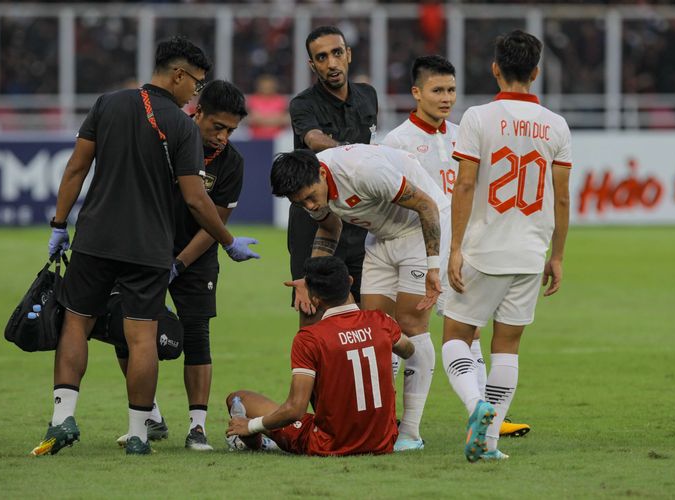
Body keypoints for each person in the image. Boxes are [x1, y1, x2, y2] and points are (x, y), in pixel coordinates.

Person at [33, 36, 259, 456]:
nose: (196, 92)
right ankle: (139, 432)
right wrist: (228, 242)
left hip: (95, 237)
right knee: (141, 338)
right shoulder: (180, 125)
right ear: (177, 74)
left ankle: (62, 419)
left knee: (76, 324)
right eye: (195, 83)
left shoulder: (108, 103)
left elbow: (76, 168)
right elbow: (195, 198)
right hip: (149, 248)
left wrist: (59, 224)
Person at [382, 55, 530, 440]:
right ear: (417, 93)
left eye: (451, 90)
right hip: (416, 250)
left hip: (461, 251)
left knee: (470, 332)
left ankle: (488, 414)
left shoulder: (464, 132)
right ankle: (393, 420)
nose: (446, 98)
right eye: (437, 90)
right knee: (406, 332)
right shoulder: (397, 141)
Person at [441, 30, 572, 462]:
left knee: (456, 337)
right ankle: (491, 441)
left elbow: (464, 184)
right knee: (508, 346)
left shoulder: (478, 118)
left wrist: (455, 247)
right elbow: (563, 197)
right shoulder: (556, 125)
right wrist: (557, 255)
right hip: (530, 253)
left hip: (484, 249)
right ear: (536, 72)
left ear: (495, 68)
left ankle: (475, 406)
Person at [270, 143, 447, 451]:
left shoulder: (364, 171)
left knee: (409, 324)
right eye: (301, 203)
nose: (310, 206)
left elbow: (427, 206)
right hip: (381, 237)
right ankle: (385, 422)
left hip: (420, 230)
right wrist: (311, 280)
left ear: (322, 174)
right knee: (373, 327)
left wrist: (434, 266)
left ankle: (411, 431)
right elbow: (329, 225)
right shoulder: (313, 190)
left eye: (311, 197)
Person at [113, 80, 252, 451]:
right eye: (217, 127)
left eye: (231, 131)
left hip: (195, 257)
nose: (223, 137)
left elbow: (215, 224)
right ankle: (150, 417)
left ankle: (197, 428)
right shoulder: (166, 143)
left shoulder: (232, 163)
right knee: (125, 330)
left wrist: (178, 262)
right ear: (198, 112)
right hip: (146, 250)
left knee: (196, 335)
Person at [225, 256, 415, 456]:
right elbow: (408, 349)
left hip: (330, 443)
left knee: (238, 399)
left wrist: (252, 426)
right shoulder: (380, 321)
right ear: (350, 281)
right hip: (383, 441)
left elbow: (294, 410)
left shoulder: (310, 338)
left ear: (314, 298)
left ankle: (257, 442)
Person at [287, 25, 378, 325]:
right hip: (314, 223)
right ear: (312, 65)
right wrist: (354, 154)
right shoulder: (302, 104)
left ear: (348, 54)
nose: (331, 63)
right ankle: (308, 373)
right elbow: (313, 138)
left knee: (363, 319)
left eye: (337, 53)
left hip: (359, 223)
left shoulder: (368, 96)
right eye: (322, 57)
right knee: (314, 320)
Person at [245, 74, 289, 139]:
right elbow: (249, 119)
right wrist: (275, 118)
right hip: (256, 138)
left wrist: (261, 119)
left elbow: (286, 119)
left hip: (278, 139)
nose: (267, 88)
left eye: (269, 86)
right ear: (259, 86)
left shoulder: (281, 100)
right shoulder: (253, 100)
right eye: (264, 86)